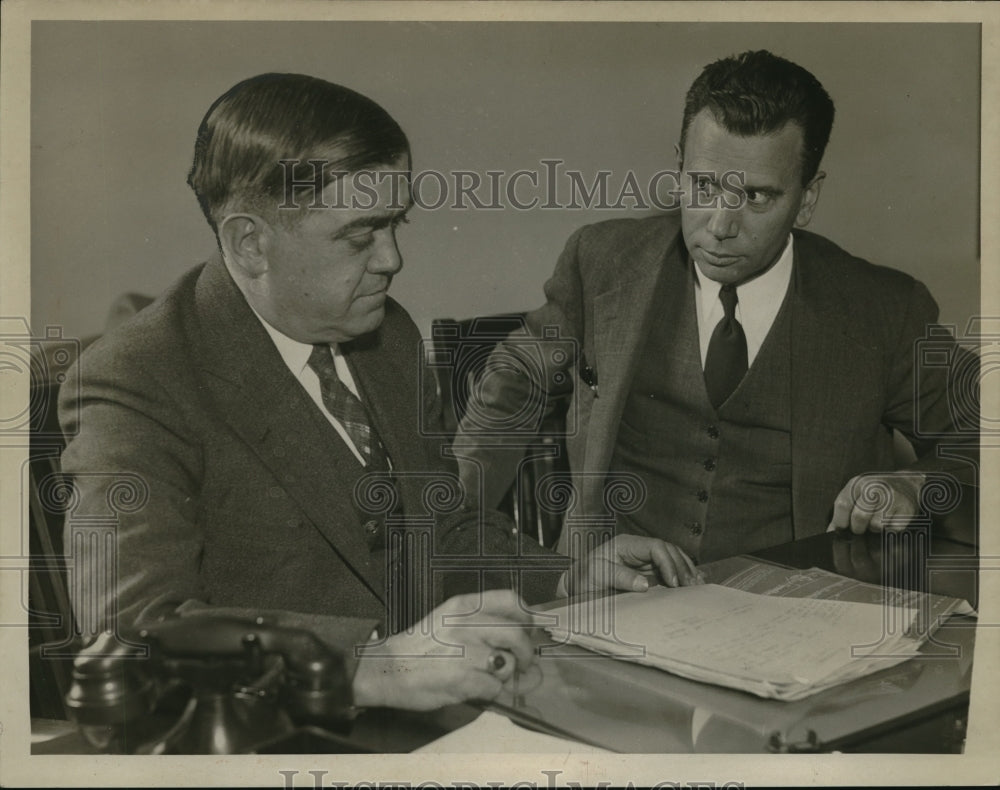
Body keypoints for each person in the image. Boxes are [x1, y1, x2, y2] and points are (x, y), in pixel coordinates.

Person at [57, 73, 702, 722]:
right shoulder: (138, 380)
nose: (393, 258)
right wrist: (374, 667)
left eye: (396, 224)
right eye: (360, 235)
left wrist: (565, 577)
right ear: (250, 244)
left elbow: (441, 526)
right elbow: (133, 638)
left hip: (430, 726)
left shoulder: (386, 336)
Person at [454, 50, 977, 566]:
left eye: (756, 197)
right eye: (703, 186)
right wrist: (454, 533)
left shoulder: (884, 309)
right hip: (613, 599)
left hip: (799, 611)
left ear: (808, 198)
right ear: (678, 167)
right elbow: (510, 389)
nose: (721, 226)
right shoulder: (603, 262)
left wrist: (917, 483)